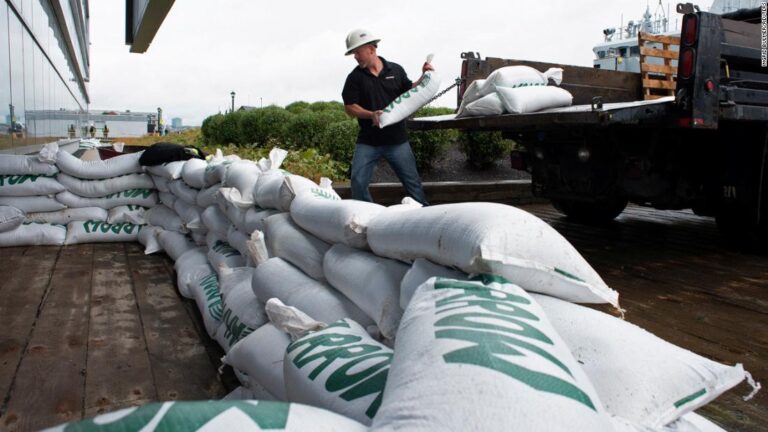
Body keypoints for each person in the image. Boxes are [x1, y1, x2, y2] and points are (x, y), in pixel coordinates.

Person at [342, 29, 431, 206]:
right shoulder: (354, 78)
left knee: (413, 185)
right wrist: (370, 114)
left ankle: (425, 218)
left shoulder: (395, 70)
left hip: (397, 141)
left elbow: (410, 91)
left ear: (371, 50)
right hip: (368, 141)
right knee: (358, 182)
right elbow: (350, 107)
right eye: (353, 53)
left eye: (357, 52)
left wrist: (425, 76)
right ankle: (366, 218)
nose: (355, 57)